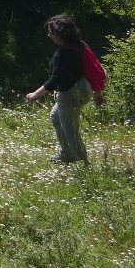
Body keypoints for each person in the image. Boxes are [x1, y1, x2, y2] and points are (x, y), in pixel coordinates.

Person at [25, 13, 98, 163]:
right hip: (83, 91)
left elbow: (56, 79)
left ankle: (82, 162)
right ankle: (67, 154)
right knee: (56, 116)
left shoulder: (63, 53)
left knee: (71, 130)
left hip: (69, 94)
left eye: (51, 32)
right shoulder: (80, 45)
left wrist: (35, 94)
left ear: (60, 34)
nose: (49, 35)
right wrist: (98, 92)